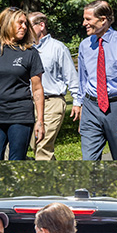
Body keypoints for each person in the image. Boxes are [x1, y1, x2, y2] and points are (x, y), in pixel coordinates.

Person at [0, 7, 44, 161]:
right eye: (20, 23)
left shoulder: (30, 53)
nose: (24, 26)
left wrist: (40, 121)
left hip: (21, 116)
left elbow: (37, 89)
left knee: (16, 160)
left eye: (26, 24)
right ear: (6, 23)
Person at [76, 0, 117, 160]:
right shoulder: (85, 46)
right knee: (89, 160)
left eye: (88, 19)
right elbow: (82, 81)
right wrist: (81, 107)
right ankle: (94, 186)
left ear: (103, 19)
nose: (84, 23)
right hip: (91, 107)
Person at [28, 12, 80, 161]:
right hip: (29, 103)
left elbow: (71, 76)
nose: (25, 29)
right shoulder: (26, 49)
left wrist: (77, 102)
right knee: (32, 146)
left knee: (42, 146)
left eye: (29, 25)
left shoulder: (58, 48)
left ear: (41, 26)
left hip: (52, 102)